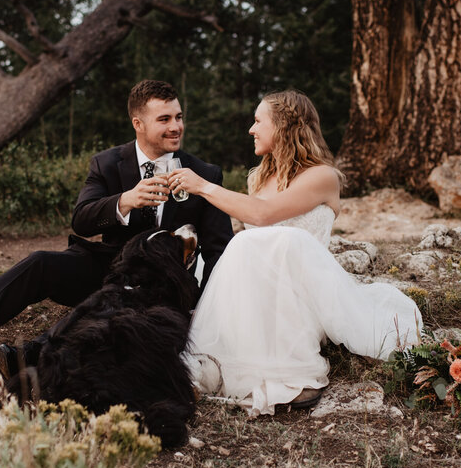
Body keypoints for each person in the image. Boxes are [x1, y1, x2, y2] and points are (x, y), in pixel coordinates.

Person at [0, 79, 234, 363]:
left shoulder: (204, 173)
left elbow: (219, 251)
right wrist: (124, 201)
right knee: (40, 263)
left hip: (160, 288)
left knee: (115, 300)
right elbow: (81, 220)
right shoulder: (108, 163)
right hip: (106, 268)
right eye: (165, 119)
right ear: (137, 124)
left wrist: (198, 309)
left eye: (179, 117)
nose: (177, 127)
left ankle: (30, 356)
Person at [168, 90, 423, 416]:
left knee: (274, 239)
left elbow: (263, 215)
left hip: (305, 296)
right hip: (260, 299)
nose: (251, 129)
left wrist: (203, 186)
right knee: (243, 244)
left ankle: (290, 375)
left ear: (284, 126)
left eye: (259, 121)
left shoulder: (323, 176)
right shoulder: (258, 178)